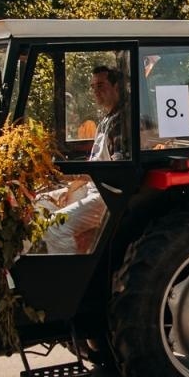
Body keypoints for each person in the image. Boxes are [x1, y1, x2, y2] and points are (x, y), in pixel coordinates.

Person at [41, 65, 126, 253]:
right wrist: (71, 187)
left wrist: (68, 176)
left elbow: (116, 170)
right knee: (40, 204)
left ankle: (66, 278)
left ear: (117, 87)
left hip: (108, 196)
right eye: (93, 87)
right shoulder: (107, 119)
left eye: (101, 86)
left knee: (54, 226)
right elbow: (95, 161)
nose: (95, 92)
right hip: (92, 187)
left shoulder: (123, 123)